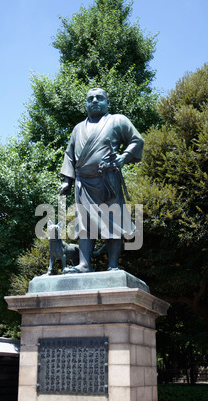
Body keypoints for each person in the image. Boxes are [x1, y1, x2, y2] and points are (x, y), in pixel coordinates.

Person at [60, 88, 144, 273]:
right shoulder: (78, 128)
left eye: (100, 98)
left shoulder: (117, 120)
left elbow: (137, 140)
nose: (95, 101)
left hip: (108, 180)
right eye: (90, 98)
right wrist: (67, 180)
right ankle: (84, 265)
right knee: (84, 223)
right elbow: (70, 155)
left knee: (112, 220)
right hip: (83, 183)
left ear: (108, 102)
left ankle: (113, 265)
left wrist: (124, 157)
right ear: (86, 104)